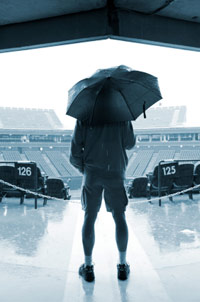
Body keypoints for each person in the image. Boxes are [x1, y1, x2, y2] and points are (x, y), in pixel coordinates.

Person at [69, 120, 135, 282]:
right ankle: (121, 266)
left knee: (89, 217)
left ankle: (88, 267)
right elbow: (130, 143)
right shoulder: (122, 115)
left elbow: (75, 153)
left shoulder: (84, 116)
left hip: (92, 173)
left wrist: (85, 170)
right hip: (116, 171)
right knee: (120, 217)